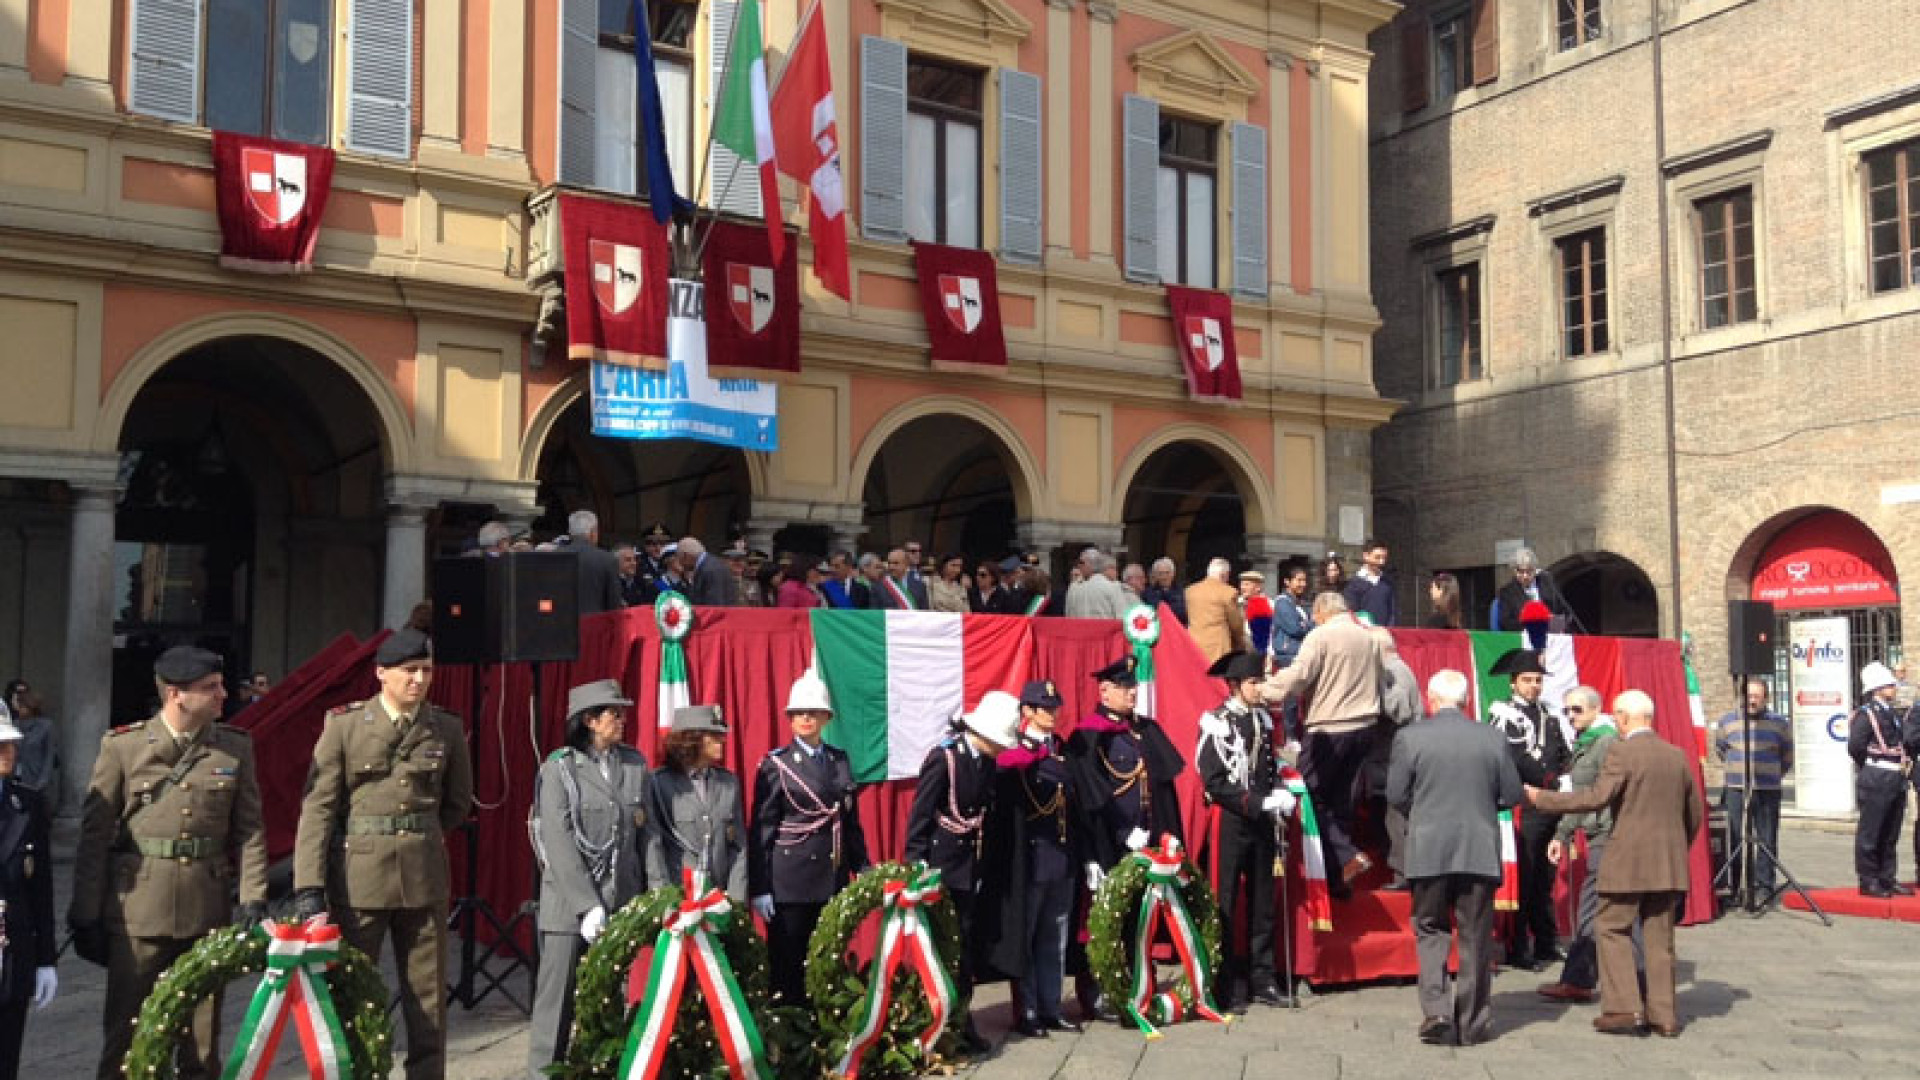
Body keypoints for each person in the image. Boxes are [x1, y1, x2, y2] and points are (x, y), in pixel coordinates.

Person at [71, 646, 269, 1080]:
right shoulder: (123, 747)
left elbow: (250, 830)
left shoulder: (234, 749)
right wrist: (85, 913)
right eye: (210, 688)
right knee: (127, 1038)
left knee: (201, 1047)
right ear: (176, 694)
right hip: (139, 913)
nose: (223, 695)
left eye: (220, 686)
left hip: (206, 911)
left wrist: (253, 897)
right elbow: (95, 835)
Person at [291, 629, 474, 1080]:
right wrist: (309, 887)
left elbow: (457, 804)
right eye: (409, 671)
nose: (418, 679)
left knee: (427, 999)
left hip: (423, 876)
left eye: (426, 671)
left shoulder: (445, 727)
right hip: (360, 880)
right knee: (354, 994)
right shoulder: (346, 725)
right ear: (381, 674)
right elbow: (318, 809)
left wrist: (415, 837)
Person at [1526, 690, 1704, 1038]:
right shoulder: (1677, 755)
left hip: (1626, 861)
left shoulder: (1622, 752)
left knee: (1610, 928)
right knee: (1659, 939)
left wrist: (1541, 798)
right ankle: (1664, 1016)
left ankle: (1625, 1009)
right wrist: (1674, 846)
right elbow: (1694, 813)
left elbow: (1596, 797)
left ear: (1623, 718)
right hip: (1668, 863)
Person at [528, 680, 659, 1078]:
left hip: (619, 901)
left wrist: (658, 895)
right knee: (557, 1006)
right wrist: (587, 906)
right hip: (570, 909)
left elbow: (646, 835)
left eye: (621, 712)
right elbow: (560, 842)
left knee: (608, 1001)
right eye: (613, 713)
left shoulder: (634, 765)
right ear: (589, 720)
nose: (621, 720)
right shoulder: (560, 769)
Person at [1387, 668, 1521, 1047]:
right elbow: (1511, 794)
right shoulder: (1492, 738)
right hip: (1478, 847)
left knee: (1430, 929)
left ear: (1431, 698)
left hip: (1428, 847)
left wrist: (1426, 812)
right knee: (1476, 936)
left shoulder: (1410, 737)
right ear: (1466, 701)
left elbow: (1396, 794)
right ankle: (1473, 1022)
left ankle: (1437, 1011)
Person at [1064, 655, 1186, 1018]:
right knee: (1104, 919)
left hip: (1145, 843)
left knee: (1138, 916)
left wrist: (1168, 835)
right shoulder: (1088, 736)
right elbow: (1087, 800)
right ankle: (1097, 987)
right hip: (1108, 843)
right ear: (1104, 691)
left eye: (1133, 687)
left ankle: (1135, 982)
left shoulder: (1145, 730)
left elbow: (1163, 788)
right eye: (1123, 688)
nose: (1131, 693)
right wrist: (1112, 838)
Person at [904, 691, 1018, 1053]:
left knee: (965, 947)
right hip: (941, 867)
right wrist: (916, 861)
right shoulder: (945, 758)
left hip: (970, 867)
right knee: (940, 946)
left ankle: (962, 1019)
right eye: (999, 742)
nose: (1002, 750)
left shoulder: (985, 763)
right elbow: (921, 815)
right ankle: (934, 1023)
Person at [750, 670, 870, 1005]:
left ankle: (820, 1035)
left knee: (825, 960)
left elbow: (850, 822)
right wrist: (760, 887)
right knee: (788, 964)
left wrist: (862, 867)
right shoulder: (777, 765)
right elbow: (762, 828)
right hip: (790, 881)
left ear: (826, 718)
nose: (806, 718)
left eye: (813, 712)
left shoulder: (839, 760)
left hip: (831, 876)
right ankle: (788, 1037)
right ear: (790, 719)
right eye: (799, 713)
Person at [1262, 592, 1385, 892]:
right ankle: (1338, 880)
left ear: (1321, 612)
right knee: (1343, 801)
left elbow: (1299, 676)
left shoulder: (1321, 636)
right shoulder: (1370, 638)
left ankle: (1345, 858)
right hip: (1365, 726)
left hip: (1329, 728)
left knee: (1308, 795)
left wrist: (1265, 690)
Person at [979, 680, 1081, 1037]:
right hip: (1032, 858)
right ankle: (1029, 1010)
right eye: (1044, 708)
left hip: (1062, 856)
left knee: (1056, 937)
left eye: (1055, 707)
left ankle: (1052, 1006)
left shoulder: (1062, 749)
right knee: (1028, 936)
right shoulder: (1017, 752)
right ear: (1026, 712)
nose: (1052, 714)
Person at [1195, 652, 1292, 1011]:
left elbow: (1268, 767)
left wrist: (1282, 788)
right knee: (1225, 901)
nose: (1259, 688)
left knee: (1263, 901)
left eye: (1260, 681)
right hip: (1232, 820)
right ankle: (1225, 983)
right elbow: (1214, 781)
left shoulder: (1264, 720)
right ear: (1234, 686)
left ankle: (1262, 977)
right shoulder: (1217, 722)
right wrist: (1256, 802)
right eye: (1253, 682)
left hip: (1262, 821)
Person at [1486, 647, 1572, 969]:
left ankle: (1546, 942)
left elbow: (1562, 752)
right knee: (1525, 876)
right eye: (1527, 680)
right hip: (1525, 804)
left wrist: (1563, 778)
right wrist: (1548, 779)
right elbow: (1515, 759)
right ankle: (1519, 947)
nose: (1534, 686)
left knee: (1545, 878)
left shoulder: (1550, 716)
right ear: (1513, 683)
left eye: (1538, 680)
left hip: (1551, 803)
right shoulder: (1504, 714)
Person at [1538, 686, 1622, 1004]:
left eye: (1577, 710)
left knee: (1591, 908)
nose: (1571, 716)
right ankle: (1585, 978)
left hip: (1607, 835)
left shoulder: (1606, 743)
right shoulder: (1587, 743)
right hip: (1595, 831)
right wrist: (1562, 835)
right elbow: (1579, 796)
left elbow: (1591, 796)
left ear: (1596, 709)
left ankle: (1579, 980)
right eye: (1568, 710)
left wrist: (1562, 832)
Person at [0, 712, 57, 1078]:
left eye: (11, 743)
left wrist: (45, 959)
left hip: (11, 954)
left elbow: (42, 888)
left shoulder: (27, 804)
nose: (10, 751)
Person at [648, 705, 749, 900]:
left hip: (718, 900)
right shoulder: (659, 784)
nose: (722, 740)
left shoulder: (728, 783)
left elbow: (738, 846)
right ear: (690, 740)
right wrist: (664, 898)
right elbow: (653, 846)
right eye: (713, 735)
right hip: (678, 898)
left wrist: (735, 900)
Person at [1716, 678, 1793, 906]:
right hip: (1736, 789)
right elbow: (1721, 749)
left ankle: (1764, 885)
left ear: (1765, 699)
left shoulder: (1779, 723)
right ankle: (1737, 886)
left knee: (1767, 838)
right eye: (1749, 696)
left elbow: (1787, 755)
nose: (1752, 701)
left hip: (1767, 788)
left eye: (1757, 697)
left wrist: (1772, 773)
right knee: (1736, 837)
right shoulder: (1727, 721)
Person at [1848, 661, 1909, 898]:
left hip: (1894, 776)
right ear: (1876, 688)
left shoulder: (1891, 713)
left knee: (1890, 831)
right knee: (1871, 831)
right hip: (1877, 775)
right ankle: (1869, 879)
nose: (1893, 687)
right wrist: (1871, 767)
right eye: (1889, 684)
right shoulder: (1866, 714)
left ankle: (1887, 877)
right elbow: (1856, 746)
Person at [1370, 627, 1423, 889]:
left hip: (1397, 752)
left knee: (1397, 814)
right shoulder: (1399, 668)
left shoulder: (1393, 671)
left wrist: (1378, 683)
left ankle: (1403, 873)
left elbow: (1399, 710)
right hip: (1394, 751)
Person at [1185, 557, 1251, 664]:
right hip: (1218, 647)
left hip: (1193, 644)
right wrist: (1241, 644)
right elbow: (1236, 625)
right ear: (1225, 574)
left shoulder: (1190, 591)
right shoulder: (1228, 592)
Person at [567, 510, 627, 615]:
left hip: (561, 626)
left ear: (570, 533)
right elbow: (614, 603)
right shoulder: (607, 559)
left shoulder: (553, 557)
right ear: (592, 533)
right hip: (595, 626)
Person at [1495, 547, 1568, 631]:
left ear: (1535, 570)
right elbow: (1505, 622)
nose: (1525, 576)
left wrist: (1556, 620)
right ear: (1514, 570)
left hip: (1551, 635)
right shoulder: (1507, 592)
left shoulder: (1547, 584)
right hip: (1524, 637)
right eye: (1520, 571)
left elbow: (1562, 610)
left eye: (1529, 571)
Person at [2, 682, 54, 797]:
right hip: (13, 776)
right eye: (19, 706)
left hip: (34, 777)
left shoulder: (45, 726)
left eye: (23, 707)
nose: (20, 710)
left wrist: (43, 781)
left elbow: (49, 755)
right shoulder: (14, 724)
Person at [1342, 540, 1397, 627]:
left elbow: (1392, 612)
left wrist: (1389, 629)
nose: (1381, 562)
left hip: (1384, 634)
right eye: (1377, 557)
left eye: (1384, 558)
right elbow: (1351, 613)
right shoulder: (1353, 585)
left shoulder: (1387, 582)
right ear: (1366, 556)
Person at [1065, 548, 1130, 620]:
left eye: (1081, 563)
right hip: (1105, 630)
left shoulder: (1074, 588)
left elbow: (1069, 617)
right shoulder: (1113, 586)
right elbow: (1123, 617)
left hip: (1082, 630)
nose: (1079, 566)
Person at [678, 537, 740, 608]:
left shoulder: (709, 569)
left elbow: (714, 605)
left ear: (686, 555)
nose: (682, 565)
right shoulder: (710, 565)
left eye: (681, 560)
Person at [1140, 558, 1188, 625]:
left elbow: (1185, 614)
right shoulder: (1147, 593)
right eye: (1160, 573)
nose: (1164, 577)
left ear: (1173, 574)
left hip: (1177, 630)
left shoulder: (1183, 592)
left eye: (1167, 573)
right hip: (1157, 631)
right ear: (1155, 575)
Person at [1239, 571, 1273, 654]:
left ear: (1258, 587)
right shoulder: (1237, 603)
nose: (1243, 588)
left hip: (1259, 649)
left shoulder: (1269, 604)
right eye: (1242, 584)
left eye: (1247, 584)